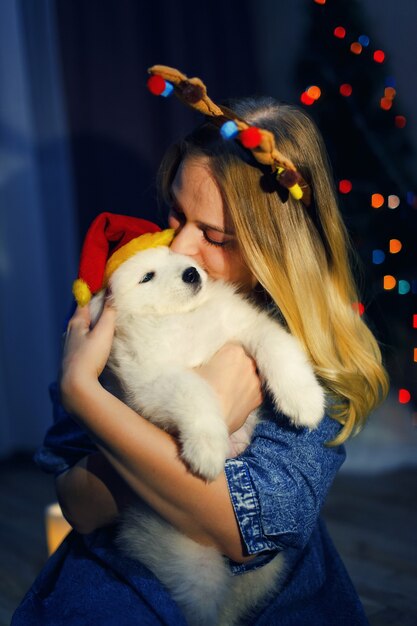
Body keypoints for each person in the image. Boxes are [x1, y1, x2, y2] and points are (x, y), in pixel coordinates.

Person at [12, 66, 388, 625]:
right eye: (175, 212)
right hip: (122, 576)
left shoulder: (310, 346)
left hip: (276, 595)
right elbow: (79, 505)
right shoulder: (128, 295)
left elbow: (243, 530)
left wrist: (89, 398)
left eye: (214, 236)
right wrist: (106, 401)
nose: (182, 247)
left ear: (274, 253)